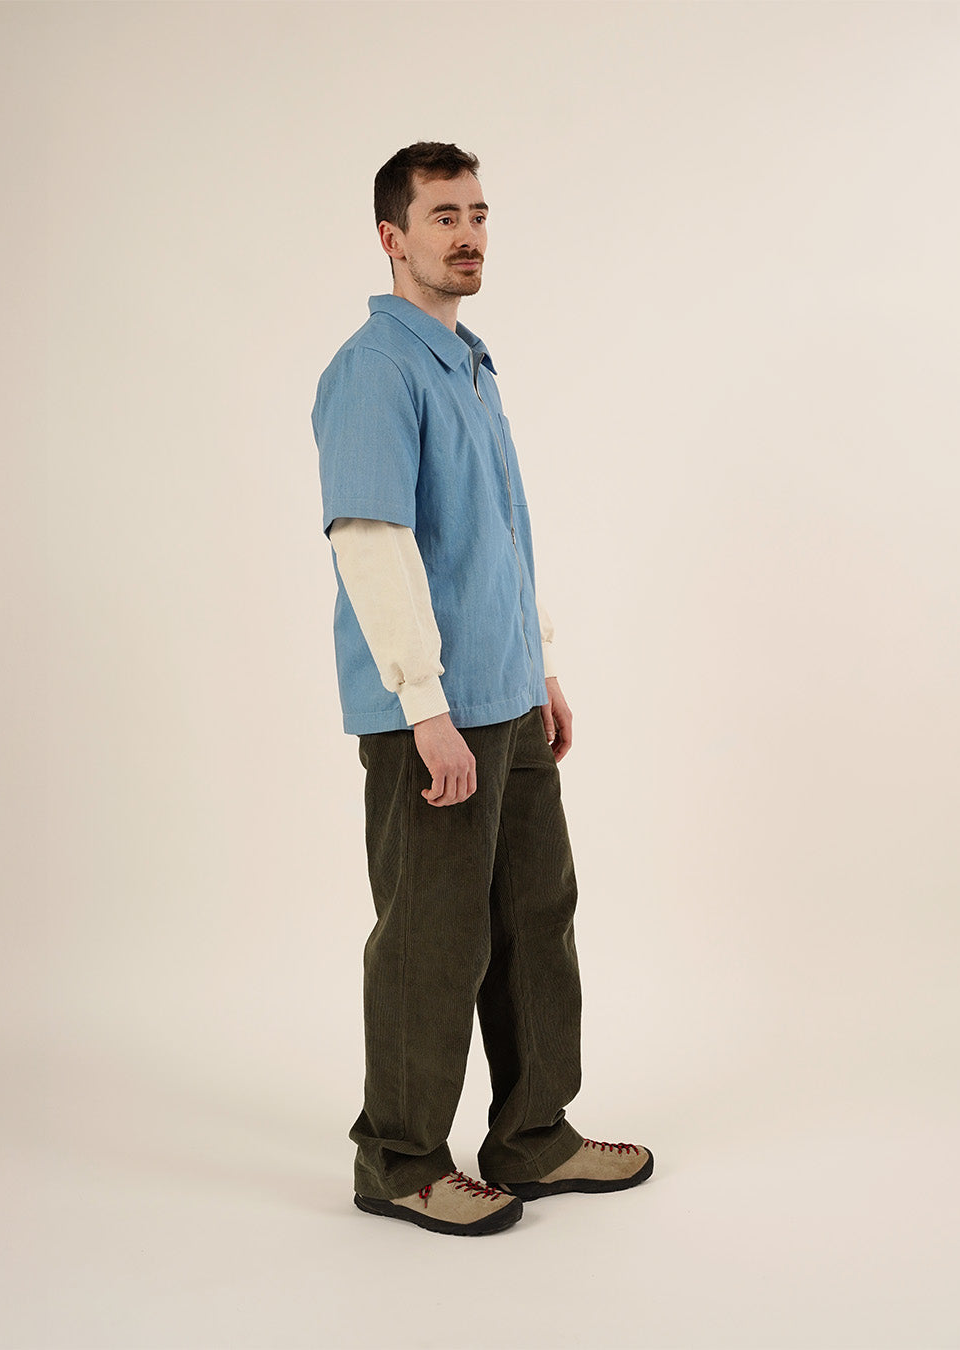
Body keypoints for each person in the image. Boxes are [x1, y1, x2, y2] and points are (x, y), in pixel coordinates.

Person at [312, 142, 652, 1237]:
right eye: (442, 216)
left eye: (478, 213)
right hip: (437, 716)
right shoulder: (377, 367)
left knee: (535, 916)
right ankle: (401, 1159)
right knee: (431, 937)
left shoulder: (469, 363)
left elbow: (498, 540)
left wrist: (540, 662)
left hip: (505, 701)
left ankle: (534, 1136)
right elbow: (374, 542)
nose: (467, 235)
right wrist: (424, 706)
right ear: (391, 236)